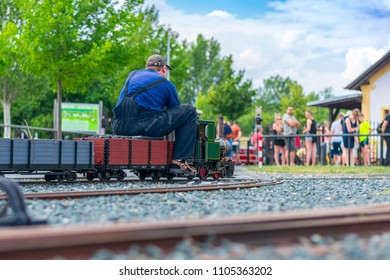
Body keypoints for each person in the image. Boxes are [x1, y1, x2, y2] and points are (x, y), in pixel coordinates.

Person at [111, 54, 197, 175]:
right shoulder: (166, 84)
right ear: (163, 68)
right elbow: (174, 110)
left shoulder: (132, 75)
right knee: (189, 111)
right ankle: (179, 161)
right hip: (145, 125)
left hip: (118, 126)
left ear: (147, 67)